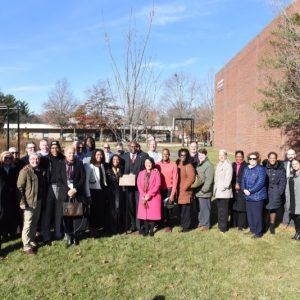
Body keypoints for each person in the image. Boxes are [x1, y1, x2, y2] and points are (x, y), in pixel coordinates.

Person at [17, 152, 47, 255]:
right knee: (28, 223)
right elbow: (19, 188)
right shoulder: (25, 171)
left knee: (35, 222)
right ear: (29, 160)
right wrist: (22, 202)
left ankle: (32, 240)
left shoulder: (40, 171)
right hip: (29, 202)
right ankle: (26, 246)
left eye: (37, 159)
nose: (35, 161)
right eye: (33, 159)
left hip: (38, 201)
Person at [58, 147, 86, 248]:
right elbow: (60, 179)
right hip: (65, 194)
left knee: (76, 215)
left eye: (73, 153)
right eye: (69, 153)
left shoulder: (79, 163)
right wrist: (68, 190)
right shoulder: (61, 164)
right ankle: (69, 237)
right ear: (65, 153)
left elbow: (83, 178)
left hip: (76, 194)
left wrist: (75, 189)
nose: (71, 154)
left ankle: (76, 236)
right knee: (66, 216)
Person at [41, 140, 65, 244]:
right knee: (47, 212)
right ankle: (46, 236)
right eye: (52, 148)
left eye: (56, 147)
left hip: (61, 187)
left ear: (59, 148)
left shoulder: (63, 159)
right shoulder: (45, 160)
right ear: (50, 149)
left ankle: (58, 233)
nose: (54, 150)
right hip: (49, 187)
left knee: (59, 211)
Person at [123, 141, 148, 233]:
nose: (133, 148)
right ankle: (132, 225)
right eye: (131, 146)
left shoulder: (144, 155)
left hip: (139, 186)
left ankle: (139, 225)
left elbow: (150, 165)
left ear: (138, 147)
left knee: (139, 205)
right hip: (127, 186)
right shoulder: (124, 156)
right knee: (130, 206)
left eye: (135, 146)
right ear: (128, 147)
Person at [241, 152, 267, 239]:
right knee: (250, 214)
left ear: (257, 159)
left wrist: (250, 191)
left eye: (254, 158)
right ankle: (252, 229)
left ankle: (258, 232)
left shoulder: (261, 169)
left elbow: (260, 182)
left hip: (257, 196)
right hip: (247, 195)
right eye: (250, 158)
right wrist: (244, 189)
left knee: (257, 215)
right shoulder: (246, 169)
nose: (252, 160)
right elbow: (242, 180)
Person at [85, 149, 107, 236]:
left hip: (101, 192)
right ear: (94, 155)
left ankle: (98, 228)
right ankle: (92, 230)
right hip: (93, 192)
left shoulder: (102, 165)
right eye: (97, 154)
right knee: (93, 212)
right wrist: (88, 195)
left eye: (101, 155)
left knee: (99, 211)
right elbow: (86, 182)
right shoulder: (89, 166)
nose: (99, 156)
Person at [137, 157, 161, 236]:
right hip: (143, 196)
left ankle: (151, 230)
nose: (148, 164)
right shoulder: (141, 173)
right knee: (145, 214)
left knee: (152, 214)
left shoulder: (156, 173)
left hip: (154, 196)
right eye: (146, 163)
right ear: (144, 164)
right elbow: (139, 185)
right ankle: (146, 230)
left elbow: (158, 185)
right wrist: (144, 195)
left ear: (152, 163)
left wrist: (149, 194)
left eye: (149, 162)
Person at [0, 151, 20, 245]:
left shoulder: (14, 169)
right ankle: (3, 234)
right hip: (2, 195)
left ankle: (11, 233)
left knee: (12, 214)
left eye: (9, 158)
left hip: (12, 195)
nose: (7, 160)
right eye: (5, 158)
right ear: (2, 159)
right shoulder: (0, 168)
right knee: (2, 215)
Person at [156, 149, 178, 232]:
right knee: (160, 208)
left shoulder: (173, 165)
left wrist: (172, 194)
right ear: (161, 155)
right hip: (160, 190)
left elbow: (175, 180)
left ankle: (168, 225)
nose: (165, 155)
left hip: (169, 189)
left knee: (169, 208)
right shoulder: (157, 165)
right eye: (163, 154)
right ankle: (160, 223)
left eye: (167, 154)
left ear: (169, 155)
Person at [265, 152, 286, 234]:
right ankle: (265, 224)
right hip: (265, 190)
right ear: (268, 158)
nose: (272, 159)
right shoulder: (265, 167)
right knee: (265, 208)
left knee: (273, 208)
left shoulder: (281, 169)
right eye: (271, 157)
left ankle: (272, 225)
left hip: (275, 191)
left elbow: (283, 182)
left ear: (276, 158)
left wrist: (279, 192)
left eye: (274, 158)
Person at [195, 148, 214, 232]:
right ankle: (201, 222)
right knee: (201, 209)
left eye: (202, 155)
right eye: (199, 155)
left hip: (204, 192)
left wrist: (204, 190)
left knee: (205, 209)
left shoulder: (208, 165)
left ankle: (206, 225)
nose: (200, 156)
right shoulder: (200, 163)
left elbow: (209, 180)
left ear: (206, 155)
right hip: (199, 191)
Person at [214, 149, 233, 233]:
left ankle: (223, 228)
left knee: (224, 211)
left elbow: (228, 180)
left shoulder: (228, 166)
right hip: (218, 191)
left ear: (226, 156)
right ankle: (220, 225)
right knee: (220, 210)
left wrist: (222, 188)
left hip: (224, 192)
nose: (221, 157)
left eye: (222, 155)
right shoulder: (219, 165)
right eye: (219, 155)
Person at [176, 148, 195, 232]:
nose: (183, 156)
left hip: (185, 191)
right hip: (179, 192)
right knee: (181, 209)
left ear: (187, 156)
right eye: (181, 155)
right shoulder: (178, 164)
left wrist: (184, 188)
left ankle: (186, 227)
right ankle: (182, 224)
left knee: (185, 210)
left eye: (184, 155)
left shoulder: (189, 165)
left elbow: (191, 178)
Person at [106, 154, 125, 234]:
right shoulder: (108, 169)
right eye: (114, 159)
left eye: (117, 159)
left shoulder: (121, 169)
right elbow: (111, 180)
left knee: (119, 209)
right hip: (111, 192)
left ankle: (119, 228)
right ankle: (112, 228)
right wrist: (117, 174)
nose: (115, 161)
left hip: (120, 192)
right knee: (112, 210)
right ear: (111, 160)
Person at [231, 150, 248, 230]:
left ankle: (241, 225)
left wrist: (240, 185)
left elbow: (247, 178)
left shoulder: (246, 166)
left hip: (243, 189)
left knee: (242, 207)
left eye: (240, 156)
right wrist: (234, 184)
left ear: (243, 157)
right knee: (234, 206)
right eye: (237, 156)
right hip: (233, 189)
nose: (239, 158)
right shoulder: (233, 165)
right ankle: (234, 223)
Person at [287, 156, 300, 240]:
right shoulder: (291, 175)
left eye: (296, 163)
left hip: (299, 199)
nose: (294, 165)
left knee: (298, 216)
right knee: (295, 216)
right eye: (293, 164)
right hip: (292, 199)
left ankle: (298, 234)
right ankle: (297, 233)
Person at [283, 148, 297, 226]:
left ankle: (292, 222)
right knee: (286, 204)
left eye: (292, 154)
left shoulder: (298, 163)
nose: (290, 156)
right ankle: (286, 221)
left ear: (295, 155)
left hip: (294, 186)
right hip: (285, 186)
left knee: (293, 203)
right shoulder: (283, 164)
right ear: (287, 155)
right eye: (289, 154)